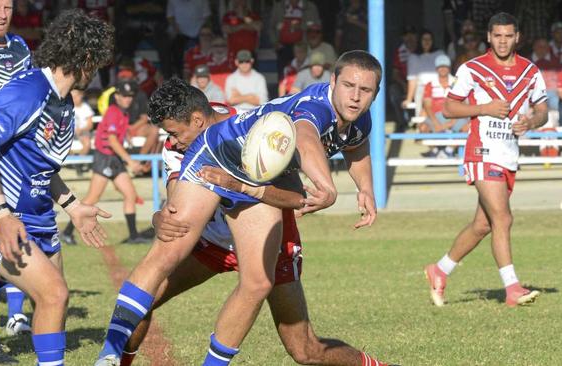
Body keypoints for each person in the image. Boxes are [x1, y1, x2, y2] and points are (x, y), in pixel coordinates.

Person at [95, 50, 381, 366]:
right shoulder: (314, 108)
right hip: (213, 198)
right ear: (332, 81)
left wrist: (365, 188)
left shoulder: (355, 118)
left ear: (375, 94)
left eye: (365, 90)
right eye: (349, 86)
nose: (355, 97)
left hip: (255, 194)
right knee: (164, 259)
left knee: (274, 305)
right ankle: (110, 353)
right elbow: (305, 134)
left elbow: (352, 148)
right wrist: (162, 215)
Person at [0, 8, 113, 365]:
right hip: (5, 219)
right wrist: (0, 214)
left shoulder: (63, 101)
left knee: (57, 298)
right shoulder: (29, 90)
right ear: (85, 57)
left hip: (40, 218)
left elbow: (42, 167)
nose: (97, 70)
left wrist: (73, 205)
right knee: (54, 295)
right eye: (97, 61)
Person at [423, 12, 548, 308]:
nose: (503, 41)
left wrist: (530, 122)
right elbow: (450, 109)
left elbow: (542, 111)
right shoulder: (472, 69)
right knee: (503, 218)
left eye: (508, 36)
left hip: (508, 154)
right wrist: (485, 107)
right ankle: (512, 288)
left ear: (517, 37)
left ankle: (439, 270)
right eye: (497, 36)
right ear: (489, 37)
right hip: (481, 150)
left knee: (483, 225)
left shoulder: (530, 72)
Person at [0, 0, 34, 357]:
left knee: (6, 241)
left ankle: (7, 324)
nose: (2, 14)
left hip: (14, 162)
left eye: (7, 7)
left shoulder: (19, 47)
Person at [61, 79, 148, 245]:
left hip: (113, 159)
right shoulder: (114, 112)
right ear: (117, 96)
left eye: (130, 96)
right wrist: (130, 161)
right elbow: (112, 141)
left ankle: (134, 236)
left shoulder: (123, 113)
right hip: (105, 158)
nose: (128, 99)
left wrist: (127, 135)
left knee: (130, 194)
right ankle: (66, 233)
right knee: (92, 198)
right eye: (124, 96)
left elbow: (118, 134)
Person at [419, 55, 468, 159]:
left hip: (454, 115)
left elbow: (463, 103)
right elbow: (427, 106)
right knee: (423, 127)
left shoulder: (457, 82)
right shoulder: (430, 84)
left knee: (467, 128)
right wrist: (436, 122)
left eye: (445, 66)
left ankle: (449, 151)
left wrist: (452, 122)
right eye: (440, 67)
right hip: (436, 116)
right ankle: (436, 151)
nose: (443, 69)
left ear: (449, 68)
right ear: (436, 69)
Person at [167, 0, 211, 78]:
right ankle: (180, 77)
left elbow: (207, 16)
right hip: (180, 34)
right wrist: (176, 28)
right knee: (178, 58)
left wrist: (202, 30)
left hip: (198, 33)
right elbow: (170, 16)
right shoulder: (172, 1)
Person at [71, 88, 94, 175]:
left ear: (81, 96)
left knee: (87, 143)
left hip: (83, 131)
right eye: (72, 96)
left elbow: (90, 125)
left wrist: (81, 130)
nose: (74, 98)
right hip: (70, 132)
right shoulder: (68, 107)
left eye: (76, 96)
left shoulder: (86, 108)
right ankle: (75, 161)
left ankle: (78, 163)